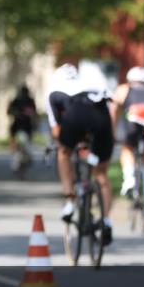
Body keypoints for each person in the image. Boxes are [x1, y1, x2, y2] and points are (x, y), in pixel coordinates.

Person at [46, 63, 115, 245]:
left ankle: (70, 200)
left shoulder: (54, 90)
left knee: (64, 152)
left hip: (77, 115)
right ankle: (106, 220)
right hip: (101, 115)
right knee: (101, 173)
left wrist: (70, 140)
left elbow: (56, 131)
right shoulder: (87, 80)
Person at [111, 65, 144, 215]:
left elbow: (114, 109)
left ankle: (129, 179)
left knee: (127, 149)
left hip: (133, 120)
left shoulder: (123, 89)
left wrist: (113, 131)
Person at [8, 85, 38, 155]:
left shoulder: (17, 100)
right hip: (24, 123)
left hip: (20, 123)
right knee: (14, 132)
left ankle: (13, 146)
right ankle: (15, 146)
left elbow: (9, 111)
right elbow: (34, 112)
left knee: (12, 132)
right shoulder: (29, 100)